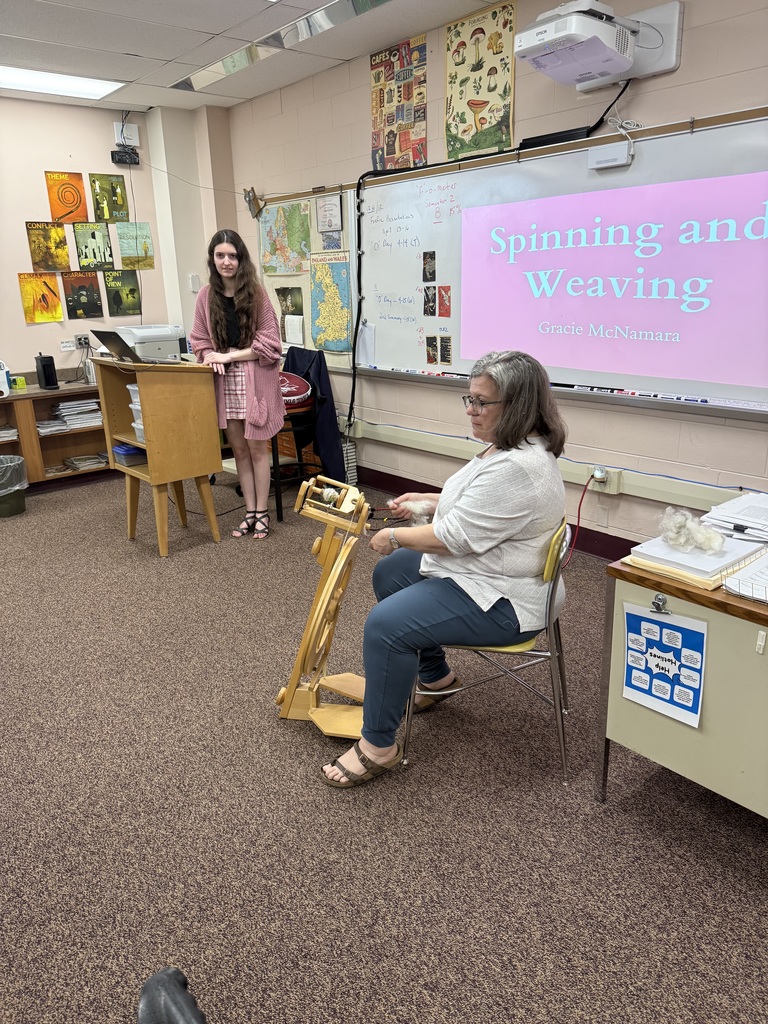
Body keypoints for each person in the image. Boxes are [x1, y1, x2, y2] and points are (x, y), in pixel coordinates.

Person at [321, 350, 567, 788]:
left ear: (518, 406)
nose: (471, 411)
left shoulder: (518, 467)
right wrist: (429, 500)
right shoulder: (514, 445)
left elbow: (454, 537)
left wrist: (393, 536)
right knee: (392, 574)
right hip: (489, 574)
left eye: (482, 403)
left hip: (507, 602)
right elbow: (479, 509)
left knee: (386, 625)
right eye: (468, 399)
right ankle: (435, 678)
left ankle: (379, 747)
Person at [189, 229, 284, 539]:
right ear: (212, 259)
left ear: (241, 259)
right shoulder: (205, 296)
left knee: (258, 449)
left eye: (232, 255)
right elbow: (199, 339)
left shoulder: (256, 293)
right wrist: (209, 356)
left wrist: (230, 357)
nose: (226, 261)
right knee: (239, 450)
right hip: (224, 383)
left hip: (254, 378)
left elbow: (270, 343)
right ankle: (250, 512)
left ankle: (263, 513)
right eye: (220, 256)